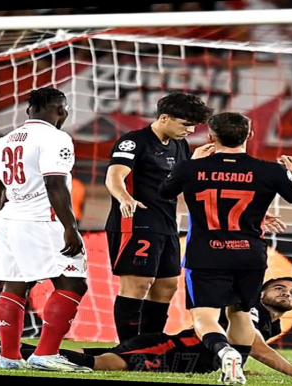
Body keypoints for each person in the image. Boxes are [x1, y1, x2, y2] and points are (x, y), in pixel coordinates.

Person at [158, 111, 292, 384]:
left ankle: (224, 353)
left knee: (205, 316)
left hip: (206, 254)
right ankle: (237, 367)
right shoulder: (270, 170)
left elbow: (164, 192)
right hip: (249, 255)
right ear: (249, 135)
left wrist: (191, 163)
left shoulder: (191, 168)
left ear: (211, 137)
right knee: (241, 314)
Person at [0, 277, 292, 379]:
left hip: (173, 356)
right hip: (165, 352)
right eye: (280, 286)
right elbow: (259, 349)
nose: (287, 292)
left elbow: (248, 351)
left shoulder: (264, 318)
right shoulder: (250, 312)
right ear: (263, 291)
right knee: (86, 364)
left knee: (80, 360)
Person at [0, 87, 90, 372]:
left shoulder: (3, 141)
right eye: (63, 110)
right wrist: (70, 228)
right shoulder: (56, 138)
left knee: (15, 285)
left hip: (8, 218)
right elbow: (55, 184)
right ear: (60, 110)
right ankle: (46, 354)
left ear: (29, 110)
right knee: (73, 282)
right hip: (43, 219)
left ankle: (10, 356)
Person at [103, 92, 214, 343]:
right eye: (185, 124)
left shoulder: (180, 146)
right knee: (138, 284)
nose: (191, 130)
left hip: (166, 224)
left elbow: (182, 184)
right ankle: (128, 349)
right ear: (164, 118)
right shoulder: (133, 142)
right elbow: (114, 176)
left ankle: (150, 345)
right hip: (136, 222)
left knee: (167, 286)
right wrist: (125, 198)